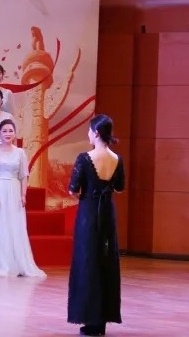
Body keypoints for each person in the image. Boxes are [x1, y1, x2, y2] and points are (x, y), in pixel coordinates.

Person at [67, 114, 125, 336]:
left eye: (90, 131)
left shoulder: (84, 158)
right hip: (108, 214)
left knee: (87, 262)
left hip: (89, 214)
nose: (88, 134)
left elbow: (73, 190)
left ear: (97, 133)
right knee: (105, 262)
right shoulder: (117, 158)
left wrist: (86, 197)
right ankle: (101, 322)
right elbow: (119, 187)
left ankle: (90, 321)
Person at [0, 119, 45, 278]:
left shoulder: (20, 153)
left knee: (14, 226)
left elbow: (23, 175)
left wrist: (23, 195)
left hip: (14, 191)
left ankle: (15, 262)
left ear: (15, 133)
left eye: (10, 131)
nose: (7, 134)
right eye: (4, 131)